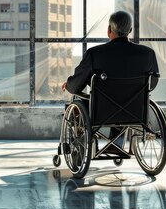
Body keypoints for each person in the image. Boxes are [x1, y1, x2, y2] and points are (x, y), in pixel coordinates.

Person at [61, 11, 159, 150]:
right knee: (123, 99)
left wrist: (69, 85)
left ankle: (80, 149)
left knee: (78, 100)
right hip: (136, 110)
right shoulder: (148, 54)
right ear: (130, 31)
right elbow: (152, 83)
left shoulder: (95, 54)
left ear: (108, 30)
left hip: (101, 110)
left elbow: (76, 85)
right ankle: (117, 142)